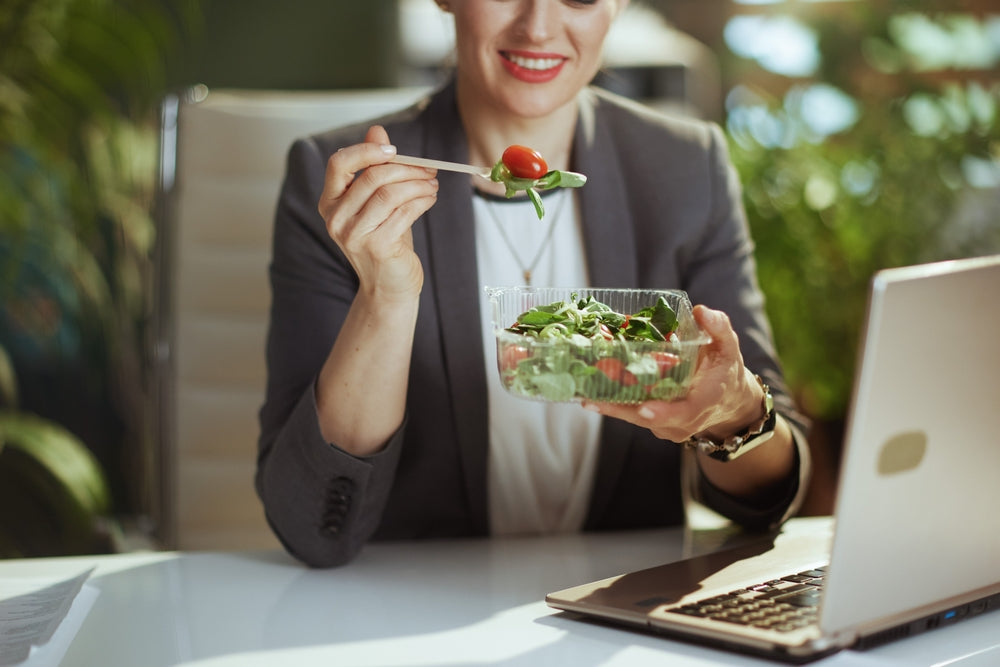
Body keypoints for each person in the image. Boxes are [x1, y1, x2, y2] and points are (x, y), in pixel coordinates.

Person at [256, 0, 811, 568]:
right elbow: (313, 529)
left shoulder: (689, 170)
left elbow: (769, 501)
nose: (538, 26)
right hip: (412, 616)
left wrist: (737, 411)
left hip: (620, 618)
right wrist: (387, 295)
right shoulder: (345, 189)